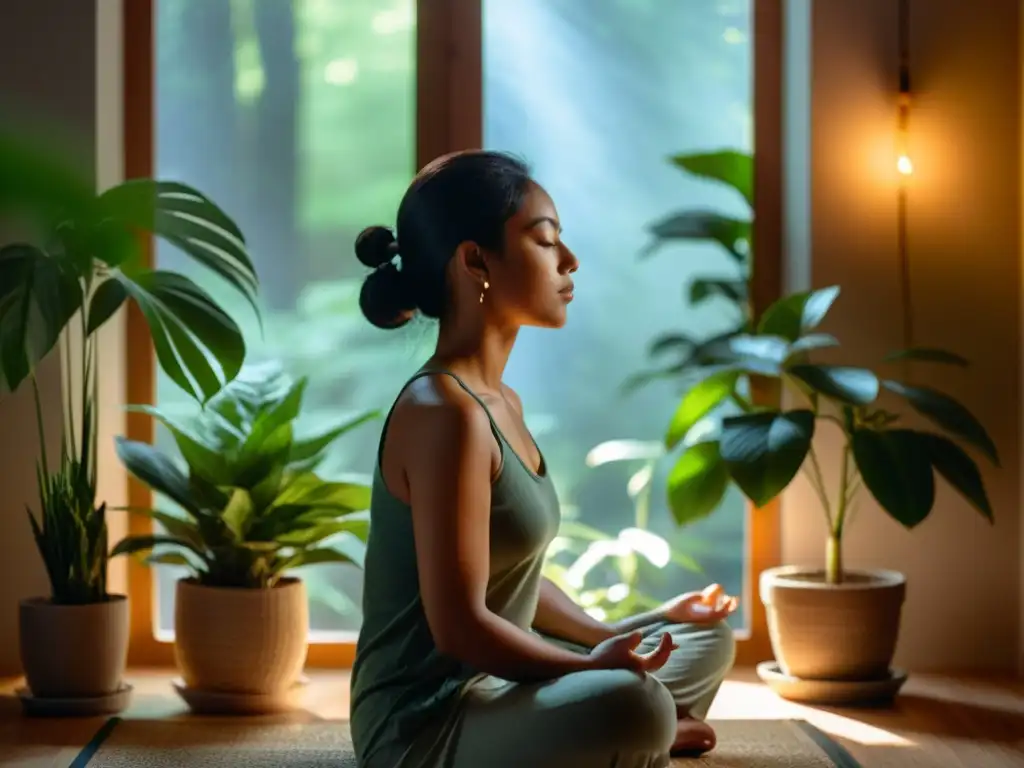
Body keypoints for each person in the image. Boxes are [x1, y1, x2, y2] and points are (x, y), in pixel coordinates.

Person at [349, 150, 737, 768]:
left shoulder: (500, 402)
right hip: (427, 724)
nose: (570, 260)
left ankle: (634, 728)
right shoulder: (442, 412)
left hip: (500, 685)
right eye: (545, 240)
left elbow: (512, 574)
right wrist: (593, 670)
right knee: (633, 704)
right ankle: (644, 727)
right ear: (475, 260)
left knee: (704, 639)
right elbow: (462, 628)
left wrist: (627, 633)